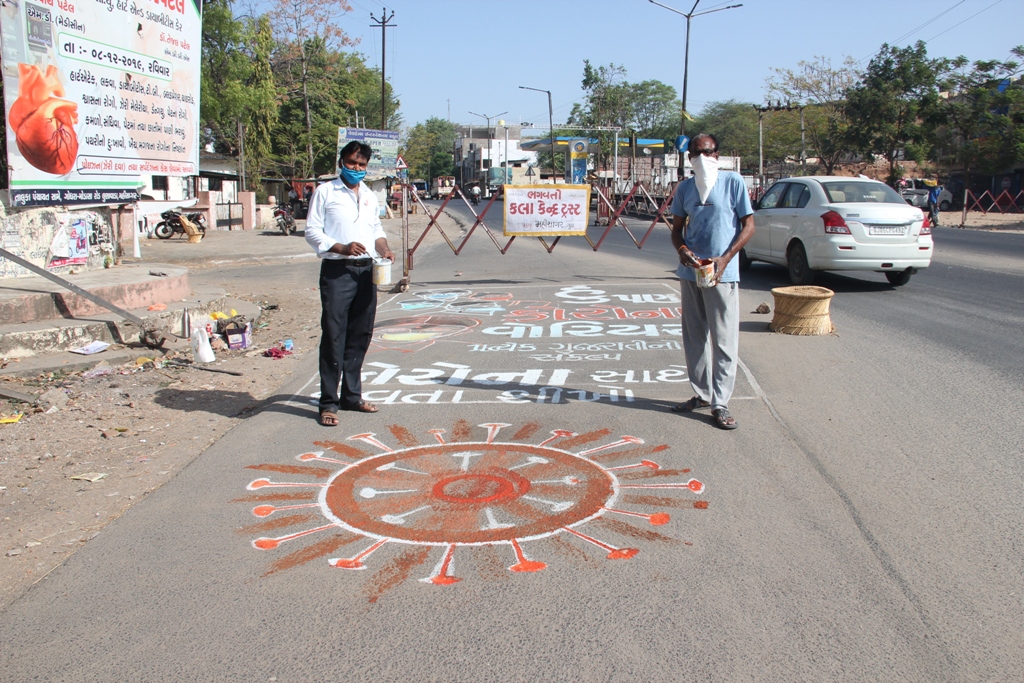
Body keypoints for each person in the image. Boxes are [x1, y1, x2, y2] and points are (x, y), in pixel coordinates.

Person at [305, 141, 395, 426]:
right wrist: (341, 247)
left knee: (360, 334)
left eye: (362, 165)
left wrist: (384, 249)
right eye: (352, 163)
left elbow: (376, 230)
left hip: (367, 272)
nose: (356, 169)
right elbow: (312, 231)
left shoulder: (369, 195)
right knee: (334, 334)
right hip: (337, 271)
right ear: (341, 162)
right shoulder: (326, 192)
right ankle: (328, 403)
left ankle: (352, 396)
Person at [669, 133, 755, 430]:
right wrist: (682, 250)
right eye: (696, 152)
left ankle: (721, 402)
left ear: (718, 154)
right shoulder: (686, 188)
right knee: (695, 336)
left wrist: (726, 258)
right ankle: (702, 393)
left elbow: (748, 225)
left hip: (722, 273)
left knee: (724, 338)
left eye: (707, 152)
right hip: (692, 271)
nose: (702, 157)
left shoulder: (733, 183)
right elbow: (677, 229)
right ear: (689, 157)